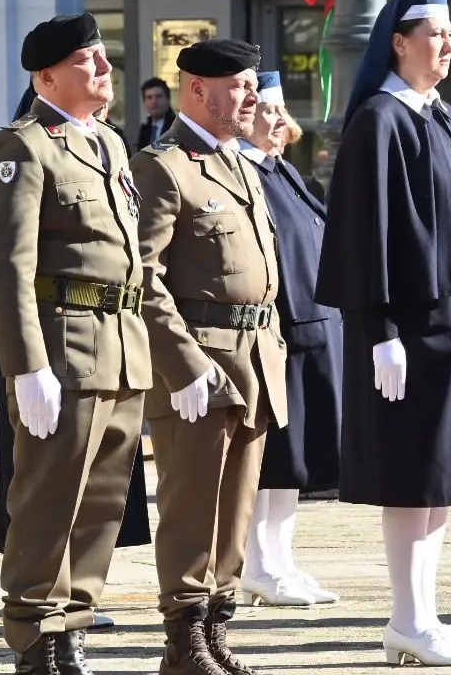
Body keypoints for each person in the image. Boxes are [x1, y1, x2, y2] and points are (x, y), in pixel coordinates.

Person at [315, 0, 451, 667]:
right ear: (398, 42)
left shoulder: (444, 118)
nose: (449, 45)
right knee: (411, 474)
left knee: (441, 480)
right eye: (435, 33)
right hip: (412, 327)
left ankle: (423, 614)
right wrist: (378, 331)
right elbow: (365, 233)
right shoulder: (382, 120)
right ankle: (407, 616)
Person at [0, 13, 150, 675]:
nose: (104, 68)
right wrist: (27, 367)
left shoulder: (107, 143)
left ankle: (73, 627)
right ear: (47, 76)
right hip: (65, 347)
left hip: (121, 346)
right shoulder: (24, 146)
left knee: (102, 505)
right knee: (50, 501)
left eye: (105, 57)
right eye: (89, 60)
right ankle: (36, 636)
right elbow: (6, 267)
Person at [130, 37, 285, 675]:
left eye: (251, 85)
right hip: (202, 358)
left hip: (255, 356)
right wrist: (185, 364)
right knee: (193, 505)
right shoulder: (166, 165)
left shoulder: (239, 163)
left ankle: (217, 625)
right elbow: (142, 274)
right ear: (199, 89)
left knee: (237, 507)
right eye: (240, 86)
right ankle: (184, 638)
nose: (251, 97)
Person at [240, 72, 344, 608]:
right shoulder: (247, 174)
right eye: (268, 112)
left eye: (283, 113)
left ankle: (280, 561)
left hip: (313, 328)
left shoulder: (284, 172)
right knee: (275, 456)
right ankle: (258, 563)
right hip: (280, 332)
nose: (280, 122)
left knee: (298, 461)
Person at [137, 76, 178, 148]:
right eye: (149, 97)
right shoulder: (145, 130)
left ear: (168, 99)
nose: (154, 101)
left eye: (158, 96)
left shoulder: (177, 128)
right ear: (144, 102)